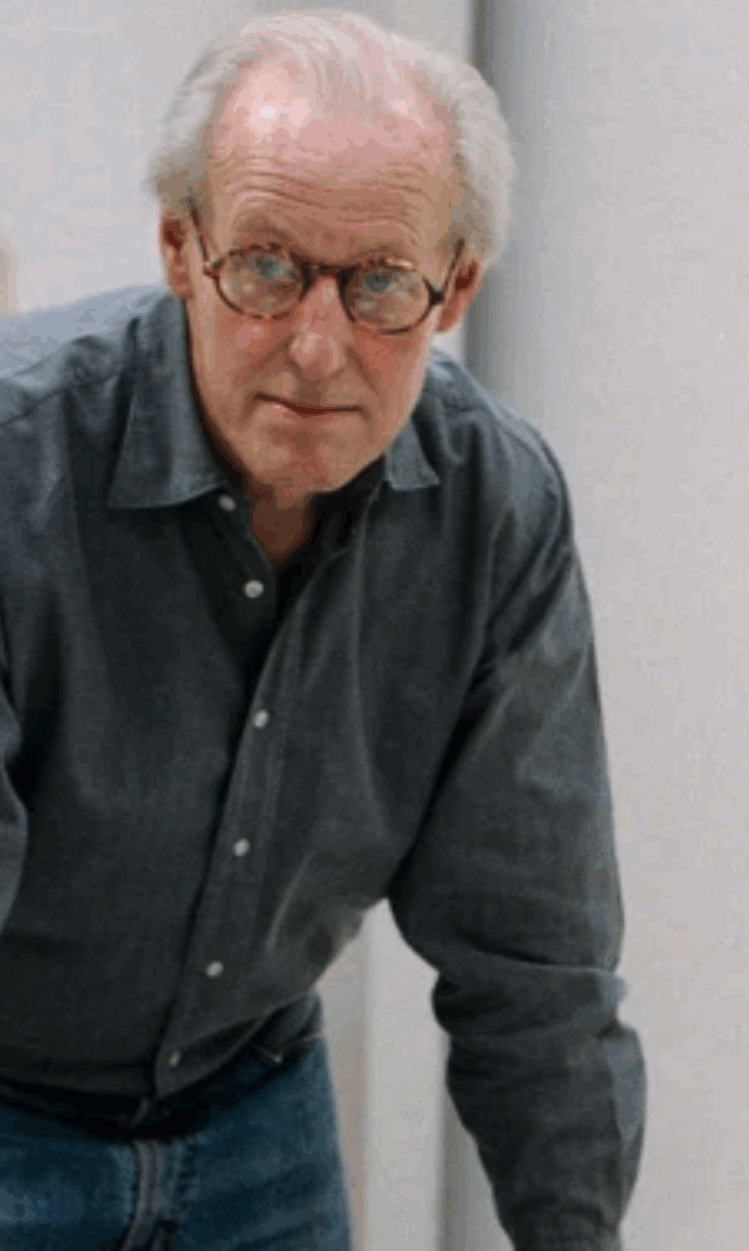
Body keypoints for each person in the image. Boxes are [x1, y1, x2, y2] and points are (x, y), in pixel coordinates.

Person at [0, 10, 645, 1250]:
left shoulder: (494, 509)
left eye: (380, 284)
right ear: (179, 246)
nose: (314, 347)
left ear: (455, 287)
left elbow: (537, 964)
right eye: (266, 268)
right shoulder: (19, 466)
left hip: (255, 1113)